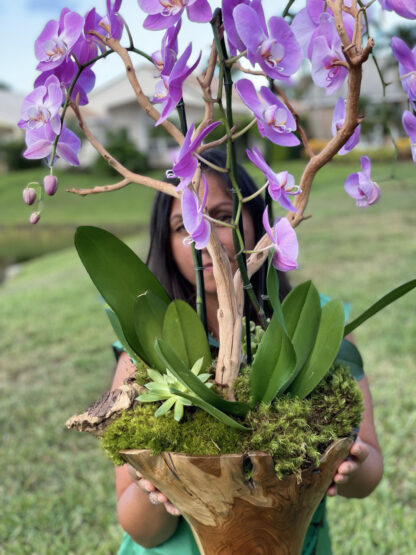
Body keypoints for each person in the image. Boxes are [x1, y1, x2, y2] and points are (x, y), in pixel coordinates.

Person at [111, 150, 383, 554]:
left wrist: (347, 466)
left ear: (258, 221)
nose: (201, 235)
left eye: (221, 215)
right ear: (166, 244)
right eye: (182, 223)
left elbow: (369, 471)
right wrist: (158, 480)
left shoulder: (320, 331)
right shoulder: (144, 352)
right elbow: (143, 532)